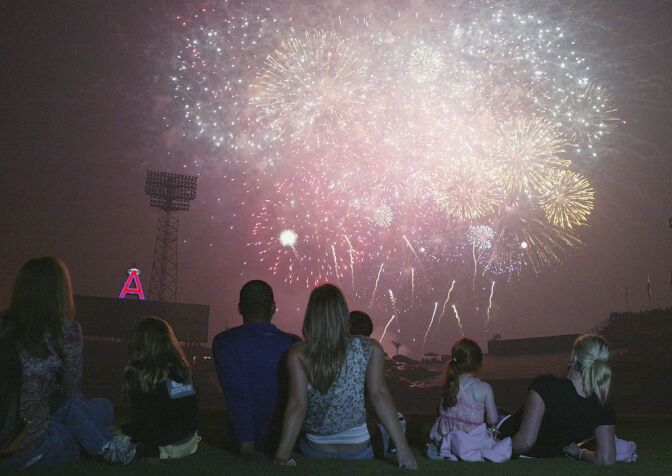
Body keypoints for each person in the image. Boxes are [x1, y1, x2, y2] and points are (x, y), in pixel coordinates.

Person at [0, 257, 135, 469]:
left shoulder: (4, 325)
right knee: (83, 409)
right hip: (32, 444)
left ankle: (97, 437)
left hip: (9, 435)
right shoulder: (66, 331)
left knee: (100, 406)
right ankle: (106, 445)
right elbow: (72, 391)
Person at [274, 284, 417, 469]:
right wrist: (404, 450)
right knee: (395, 417)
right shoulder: (369, 347)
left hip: (315, 449)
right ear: (344, 314)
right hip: (360, 450)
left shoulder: (298, 353)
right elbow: (378, 394)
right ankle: (398, 448)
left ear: (311, 316)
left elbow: (297, 405)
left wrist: (282, 455)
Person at [500, 334, 637, 464]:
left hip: (504, 433)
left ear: (573, 357)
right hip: (550, 453)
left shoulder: (546, 385)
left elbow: (525, 442)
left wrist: (495, 452)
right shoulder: (601, 405)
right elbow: (606, 459)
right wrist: (578, 453)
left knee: (495, 414)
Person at [212, 280, 299, 459]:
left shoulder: (225, 343)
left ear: (240, 308)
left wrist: (246, 444)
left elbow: (236, 392)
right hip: (286, 440)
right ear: (273, 307)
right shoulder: (293, 344)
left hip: (242, 440)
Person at [122, 316, 200, 462]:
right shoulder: (181, 370)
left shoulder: (141, 374)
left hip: (165, 445)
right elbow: (185, 414)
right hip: (188, 442)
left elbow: (147, 417)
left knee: (110, 439)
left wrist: (149, 450)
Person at [427, 338, 511, 462]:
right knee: (503, 445)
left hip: (444, 439)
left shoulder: (449, 385)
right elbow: (492, 419)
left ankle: (446, 450)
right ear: (478, 364)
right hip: (470, 441)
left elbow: (441, 413)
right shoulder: (484, 388)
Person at [349, 310, 407, 458]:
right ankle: (395, 446)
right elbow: (378, 394)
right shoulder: (372, 350)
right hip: (363, 425)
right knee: (398, 418)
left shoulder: (335, 351)